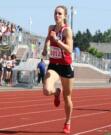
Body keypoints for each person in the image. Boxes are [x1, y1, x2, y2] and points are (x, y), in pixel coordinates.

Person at [42, 5, 74, 134]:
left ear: (65, 16)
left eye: (60, 14)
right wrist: (45, 48)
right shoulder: (51, 28)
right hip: (54, 65)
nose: (57, 15)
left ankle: (68, 122)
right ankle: (56, 92)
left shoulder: (67, 31)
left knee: (67, 97)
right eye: (55, 13)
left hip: (66, 66)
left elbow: (70, 50)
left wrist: (57, 41)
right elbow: (47, 39)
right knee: (46, 90)